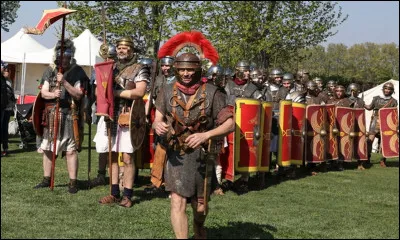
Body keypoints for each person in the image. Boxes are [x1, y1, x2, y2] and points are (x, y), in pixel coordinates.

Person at [153, 52, 234, 239]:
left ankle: (199, 227)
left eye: (190, 69)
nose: (186, 73)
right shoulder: (166, 91)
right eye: (181, 69)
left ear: (197, 70)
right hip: (176, 156)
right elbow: (157, 118)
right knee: (177, 201)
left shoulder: (213, 92)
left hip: (202, 157)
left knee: (200, 207)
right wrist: (158, 125)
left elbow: (230, 123)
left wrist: (206, 134)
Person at [95, 37, 150, 207]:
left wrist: (116, 93)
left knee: (127, 157)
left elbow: (139, 92)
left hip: (128, 115)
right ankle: (114, 193)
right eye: (119, 47)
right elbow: (99, 87)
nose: (121, 50)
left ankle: (127, 194)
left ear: (132, 50)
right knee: (111, 156)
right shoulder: (109, 67)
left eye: (125, 47)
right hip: (109, 114)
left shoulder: (139, 68)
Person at [33, 39, 88, 194]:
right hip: (51, 114)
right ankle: (46, 179)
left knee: (71, 151)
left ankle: (73, 182)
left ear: (70, 56)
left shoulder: (78, 71)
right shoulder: (49, 71)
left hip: (70, 115)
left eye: (66, 55)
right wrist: (52, 94)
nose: (63, 58)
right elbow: (43, 92)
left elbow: (78, 94)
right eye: (60, 54)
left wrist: (64, 82)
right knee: (48, 149)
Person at [89, 43, 117, 188]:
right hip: (104, 110)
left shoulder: (119, 70)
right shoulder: (100, 70)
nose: (108, 58)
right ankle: (101, 175)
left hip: (118, 110)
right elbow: (95, 92)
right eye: (107, 56)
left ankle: (117, 176)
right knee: (102, 145)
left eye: (111, 56)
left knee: (116, 146)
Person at [364, 82, 398, 167]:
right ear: (383, 89)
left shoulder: (393, 101)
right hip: (375, 121)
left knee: (385, 142)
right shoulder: (376, 98)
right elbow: (369, 107)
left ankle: (383, 160)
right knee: (369, 141)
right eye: (386, 88)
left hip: (386, 123)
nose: (387, 90)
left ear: (392, 91)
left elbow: (393, 115)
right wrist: (363, 103)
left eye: (389, 89)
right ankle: (367, 158)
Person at [347, 83, 367, 170]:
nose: (354, 93)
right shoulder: (345, 101)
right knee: (345, 141)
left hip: (359, 124)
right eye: (352, 91)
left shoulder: (361, 101)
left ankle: (360, 163)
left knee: (360, 142)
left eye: (355, 91)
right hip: (347, 124)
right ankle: (343, 161)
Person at [1, 61, 16, 157]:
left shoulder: (8, 80)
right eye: (6, 69)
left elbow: (11, 94)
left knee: (4, 128)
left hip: (7, 107)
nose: (7, 71)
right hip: (3, 107)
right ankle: (4, 148)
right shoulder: (4, 80)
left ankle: (5, 148)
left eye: (8, 70)